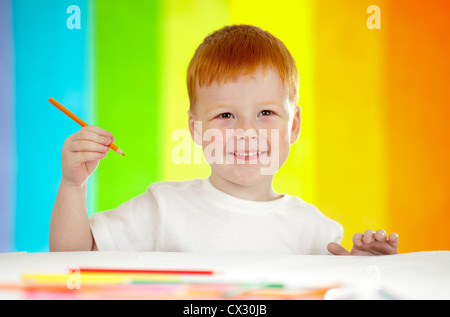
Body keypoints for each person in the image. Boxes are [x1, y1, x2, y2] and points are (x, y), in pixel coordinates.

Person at [49, 24, 398, 255]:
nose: (248, 132)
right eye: (226, 116)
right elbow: (71, 259)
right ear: (196, 129)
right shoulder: (163, 208)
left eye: (266, 113)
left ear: (294, 125)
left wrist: (364, 269)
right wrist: (72, 184)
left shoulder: (316, 232)